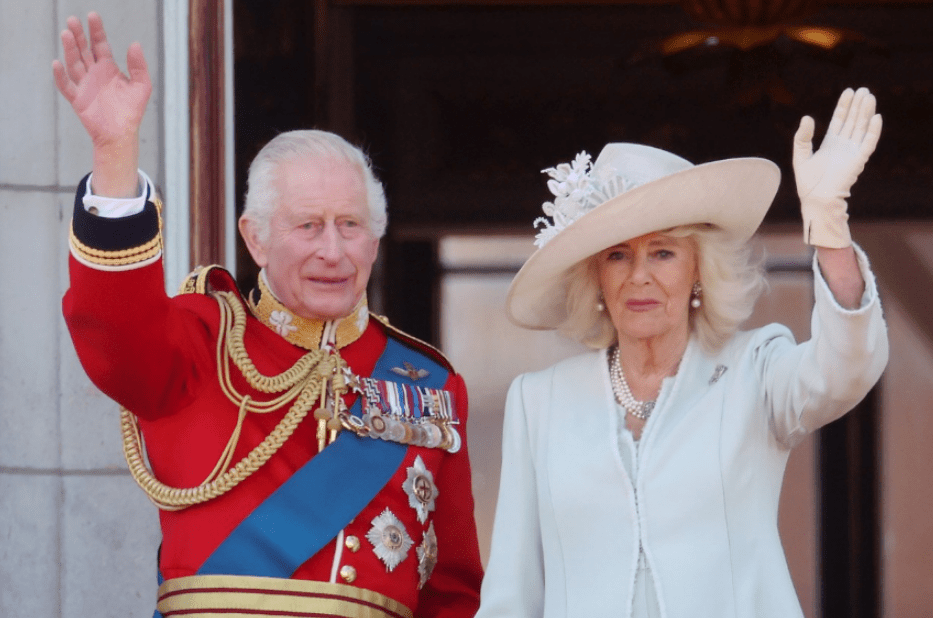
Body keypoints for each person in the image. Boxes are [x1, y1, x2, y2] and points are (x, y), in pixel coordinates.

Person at [53, 12, 482, 618]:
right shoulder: (203, 346)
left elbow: (454, 595)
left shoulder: (431, 388)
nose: (332, 251)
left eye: (350, 226)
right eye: (308, 226)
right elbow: (114, 329)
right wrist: (115, 151)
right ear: (254, 240)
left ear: (376, 239)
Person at [476, 87, 888, 618]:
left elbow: (845, 368)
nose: (639, 276)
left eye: (663, 252)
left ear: (698, 270)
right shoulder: (539, 401)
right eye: (618, 255)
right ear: (596, 278)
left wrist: (828, 224)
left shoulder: (754, 371)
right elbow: (512, 592)